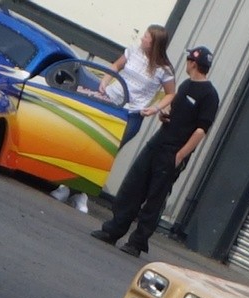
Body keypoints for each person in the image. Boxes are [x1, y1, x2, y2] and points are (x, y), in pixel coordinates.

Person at [90, 46, 219, 257]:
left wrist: (180, 156)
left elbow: (200, 130)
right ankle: (113, 230)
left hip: (173, 151)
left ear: (193, 63)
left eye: (188, 60)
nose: (186, 64)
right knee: (133, 185)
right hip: (158, 142)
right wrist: (164, 115)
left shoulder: (209, 95)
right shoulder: (185, 85)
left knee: (155, 198)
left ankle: (137, 242)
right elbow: (176, 113)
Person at [51, 26, 176, 214]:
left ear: (154, 43)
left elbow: (171, 93)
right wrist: (105, 81)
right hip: (111, 101)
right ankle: (67, 186)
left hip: (132, 113)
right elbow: (116, 66)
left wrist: (155, 108)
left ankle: (82, 192)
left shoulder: (163, 69)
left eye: (146, 37)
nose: (142, 38)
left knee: (106, 152)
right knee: (88, 144)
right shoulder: (133, 51)